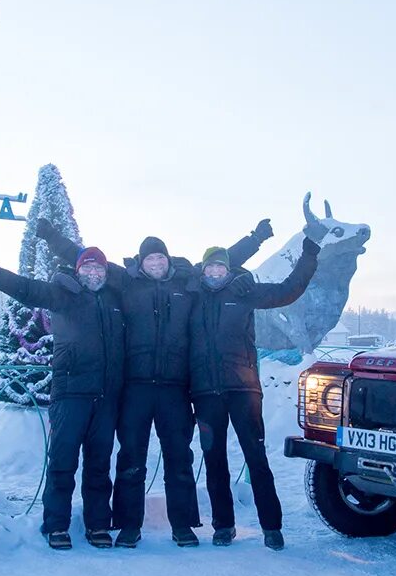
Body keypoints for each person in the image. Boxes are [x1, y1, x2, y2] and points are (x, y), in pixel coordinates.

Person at [36, 217, 272, 548]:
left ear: (167, 258)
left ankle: (183, 526)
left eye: (160, 257)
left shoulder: (187, 279)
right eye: (150, 258)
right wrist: (51, 237)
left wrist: (255, 238)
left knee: (179, 458)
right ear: (141, 261)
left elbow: (220, 263)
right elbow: (86, 256)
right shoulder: (127, 281)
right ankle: (129, 526)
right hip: (136, 387)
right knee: (131, 457)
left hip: (175, 388)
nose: (156, 262)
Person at [0, 245, 124, 551]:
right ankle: (57, 525)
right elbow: (28, 289)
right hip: (71, 393)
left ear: (106, 272)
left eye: (99, 269)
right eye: (88, 268)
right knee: (63, 462)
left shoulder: (114, 299)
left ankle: (98, 524)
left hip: (105, 397)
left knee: (99, 465)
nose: (94, 273)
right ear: (78, 271)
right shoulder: (64, 294)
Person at [189, 232, 320, 550]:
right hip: (206, 393)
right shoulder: (193, 296)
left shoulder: (243, 291)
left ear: (227, 270)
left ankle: (271, 527)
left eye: (221, 267)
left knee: (256, 457)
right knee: (214, 458)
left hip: (243, 389)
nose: (216, 272)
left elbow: (288, 291)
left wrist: (309, 256)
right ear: (203, 270)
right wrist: (255, 238)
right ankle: (223, 525)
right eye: (211, 267)